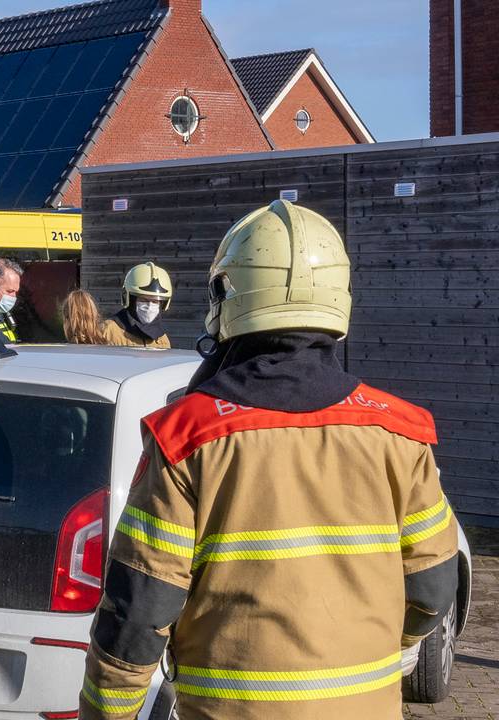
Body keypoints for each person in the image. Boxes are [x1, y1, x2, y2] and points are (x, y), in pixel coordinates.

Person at [79, 201, 458, 720]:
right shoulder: (399, 432)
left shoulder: (186, 438)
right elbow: (434, 584)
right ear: (338, 299)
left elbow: (137, 612)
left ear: (226, 296)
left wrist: (106, 713)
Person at [101, 262, 172, 348]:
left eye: (155, 301)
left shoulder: (162, 339)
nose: (149, 306)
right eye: (143, 299)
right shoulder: (108, 331)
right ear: (130, 299)